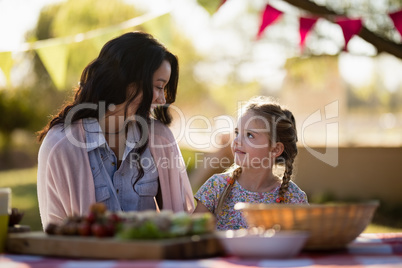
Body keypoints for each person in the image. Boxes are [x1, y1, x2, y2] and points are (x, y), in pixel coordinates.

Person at [37, 31, 195, 229]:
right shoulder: (62, 145)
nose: (162, 100)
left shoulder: (160, 138)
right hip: (88, 259)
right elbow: (57, 233)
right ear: (127, 82)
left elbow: (179, 221)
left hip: (151, 259)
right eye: (158, 86)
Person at [194, 96, 308, 230]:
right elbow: (191, 236)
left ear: (275, 149)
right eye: (237, 132)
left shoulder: (293, 198)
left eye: (249, 135)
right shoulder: (216, 187)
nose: (236, 141)